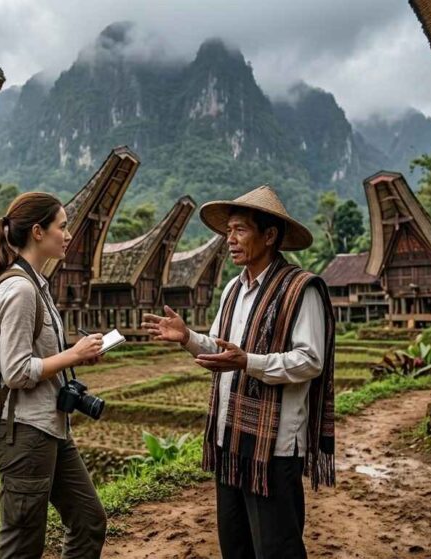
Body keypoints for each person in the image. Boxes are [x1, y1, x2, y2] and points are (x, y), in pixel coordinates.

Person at [141, 185, 336, 559]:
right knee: (235, 543)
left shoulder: (301, 289)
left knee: (276, 548)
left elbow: (311, 360)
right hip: (230, 440)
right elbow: (220, 348)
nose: (229, 239)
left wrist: (250, 361)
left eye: (240, 230)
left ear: (269, 236)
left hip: (273, 445)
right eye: (228, 230)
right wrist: (187, 338)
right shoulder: (233, 288)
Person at [0, 192, 107, 559]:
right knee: (23, 544)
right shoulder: (19, 289)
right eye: (62, 227)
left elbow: (41, 357)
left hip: (51, 427)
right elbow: (17, 371)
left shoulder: (36, 284)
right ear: (38, 231)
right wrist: (72, 354)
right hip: (25, 433)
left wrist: (75, 357)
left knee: (88, 519)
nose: (67, 235)